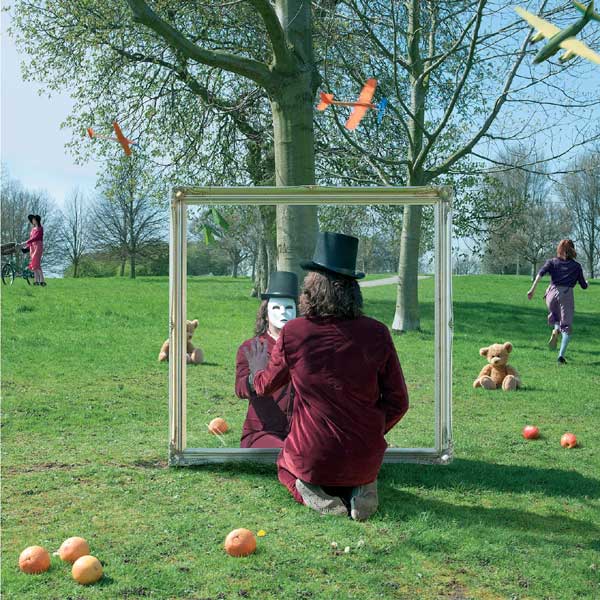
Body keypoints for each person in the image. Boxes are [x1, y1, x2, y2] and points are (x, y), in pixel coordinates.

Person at [245, 232, 409, 521]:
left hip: (313, 455)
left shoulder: (294, 332)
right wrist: (370, 431)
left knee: (285, 465)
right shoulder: (378, 332)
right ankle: (363, 489)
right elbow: (399, 402)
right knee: (355, 467)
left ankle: (314, 494)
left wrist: (256, 369)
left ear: (313, 287)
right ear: (353, 290)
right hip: (365, 455)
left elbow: (265, 385)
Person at [235, 271, 298, 448]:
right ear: (266, 313)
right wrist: (254, 377)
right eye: (276, 308)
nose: (283, 312)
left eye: (289, 308)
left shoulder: (306, 347)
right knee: (286, 453)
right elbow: (239, 388)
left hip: (300, 432)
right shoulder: (251, 347)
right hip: (261, 433)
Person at [527, 239, 588, 364]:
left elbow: (540, 274)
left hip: (551, 294)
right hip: (566, 294)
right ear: (573, 249)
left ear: (559, 249)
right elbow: (583, 285)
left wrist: (532, 290)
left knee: (556, 316)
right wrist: (586, 284)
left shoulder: (552, 262)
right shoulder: (576, 266)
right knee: (566, 326)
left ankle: (556, 330)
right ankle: (561, 356)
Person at [23, 214, 46, 286]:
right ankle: (36, 281)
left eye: (34, 219)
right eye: (32, 220)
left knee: (36, 263)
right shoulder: (32, 230)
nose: (33, 221)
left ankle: (42, 280)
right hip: (32, 247)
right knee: (34, 264)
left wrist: (27, 242)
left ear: (37, 220)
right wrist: (27, 247)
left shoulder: (40, 229)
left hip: (38, 246)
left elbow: (36, 237)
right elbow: (31, 238)